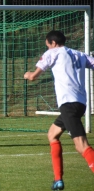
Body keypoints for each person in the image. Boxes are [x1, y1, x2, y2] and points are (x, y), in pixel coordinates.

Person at [24, 30, 94, 190]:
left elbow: (34, 76)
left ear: (53, 43)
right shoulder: (79, 54)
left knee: (81, 146)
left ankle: (58, 179)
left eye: (47, 45)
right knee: (52, 134)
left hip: (68, 104)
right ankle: (58, 180)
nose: (47, 47)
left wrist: (27, 75)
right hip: (80, 104)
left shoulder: (53, 53)